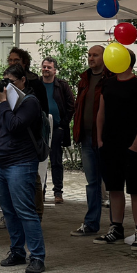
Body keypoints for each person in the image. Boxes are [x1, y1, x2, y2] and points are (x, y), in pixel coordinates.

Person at [0, 65, 47, 273]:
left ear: (23, 81)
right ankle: (17, 252)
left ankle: (37, 256)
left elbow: (14, 125)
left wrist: (3, 103)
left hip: (21, 162)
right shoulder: (4, 99)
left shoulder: (29, 102)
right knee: (9, 211)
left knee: (25, 210)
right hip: (0, 162)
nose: (8, 86)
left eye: (12, 82)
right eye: (6, 82)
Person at [95, 48, 137, 246]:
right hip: (110, 144)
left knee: (135, 189)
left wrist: (136, 144)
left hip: (131, 146)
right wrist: (100, 140)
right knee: (114, 188)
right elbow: (101, 114)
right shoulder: (107, 85)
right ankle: (116, 227)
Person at [71, 44, 108, 236]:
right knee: (92, 182)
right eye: (89, 55)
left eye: (95, 55)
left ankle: (115, 224)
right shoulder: (84, 78)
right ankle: (91, 223)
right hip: (86, 137)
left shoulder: (111, 78)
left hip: (106, 138)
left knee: (112, 182)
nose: (91, 58)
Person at [40, 57, 75, 205]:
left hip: (57, 128)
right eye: (44, 67)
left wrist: (63, 124)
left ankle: (58, 192)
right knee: (40, 161)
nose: (46, 69)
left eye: (49, 67)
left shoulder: (62, 85)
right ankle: (40, 191)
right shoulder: (37, 85)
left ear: (54, 70)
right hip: (40, 128)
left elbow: (71, 105)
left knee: (56, 161)